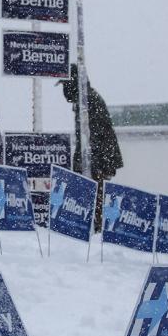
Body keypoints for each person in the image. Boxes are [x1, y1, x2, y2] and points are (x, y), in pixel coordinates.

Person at [58, 64, 123, 230]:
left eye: (65, 85)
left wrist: (96, 164)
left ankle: (95, 232)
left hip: (96, 163)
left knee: (95, 204)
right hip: (95, 161)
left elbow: (98, 136)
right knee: (92, 203)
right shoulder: (85, 100)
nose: (64, 92)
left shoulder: (88, 101)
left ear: (73, 83)